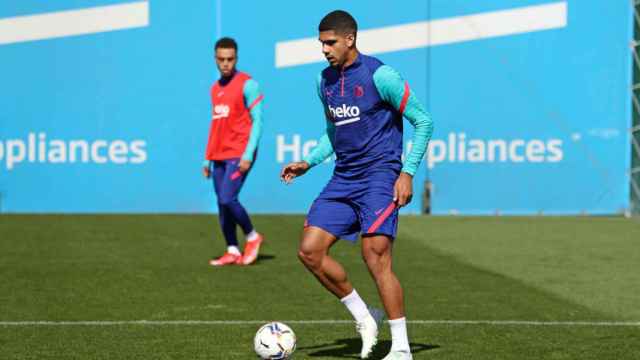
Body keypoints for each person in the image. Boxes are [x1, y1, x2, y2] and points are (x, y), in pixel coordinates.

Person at [280, 10, 433, 360]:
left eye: (330, 42)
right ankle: (365, 320)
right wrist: (310, 161)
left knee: (375, 256)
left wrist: (407, 172)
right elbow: (335, 130)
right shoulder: (324, 81)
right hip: (344, 177)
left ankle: (402, 348)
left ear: (350, 39)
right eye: (321, 43)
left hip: (380, 176)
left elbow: (423, 121)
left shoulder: (382, 75)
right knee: (309, 251)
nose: (324, 49)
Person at [204, 37, 264, 266]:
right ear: (215, 59)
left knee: (228, 197)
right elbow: (216, 125)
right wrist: (206, 158)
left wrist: (248, 154)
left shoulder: (248, 84)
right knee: (221, 203)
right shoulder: (215, 88)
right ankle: (232, 250)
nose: (225, 63)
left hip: (239, 152)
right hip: (218, 154)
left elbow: (258, 121)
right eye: (221, 59)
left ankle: (252, 236)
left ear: (236, 59)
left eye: (230, 59)